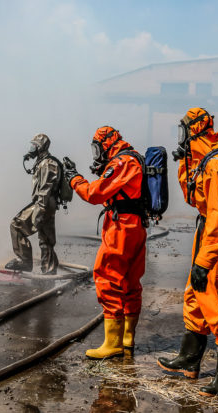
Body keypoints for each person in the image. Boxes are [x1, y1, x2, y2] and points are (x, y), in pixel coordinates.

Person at [157, 107, 218, 397]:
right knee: (194, 295)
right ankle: (189, 361)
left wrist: (205, 261)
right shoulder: (204, 160)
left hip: (217, 239)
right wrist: (184, 162)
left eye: (183, 130)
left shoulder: (217, 164)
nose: (179, 136)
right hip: (206, 232)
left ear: (195, 129)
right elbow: (193, 198)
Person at [63, 126, 147, 359]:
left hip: (121, 228)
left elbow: (95, 194)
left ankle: (113, 344)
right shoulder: (132, 157)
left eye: (97, 148)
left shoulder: (121, 163)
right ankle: (127, 339)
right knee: (130, 283)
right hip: (136, 225)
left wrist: (74, 179)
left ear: (107, 144)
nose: (96, 153)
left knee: (107, 277)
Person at [5, 133, 60, 275]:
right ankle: (48, 271)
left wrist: (40, 211)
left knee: (17, 225)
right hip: (44, 203)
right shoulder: (42, 162)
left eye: (34, 146)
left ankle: (25, 262)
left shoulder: (48, 164)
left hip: (44, 203)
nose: (31, 149)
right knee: (45, 238)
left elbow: (45, 190)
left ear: (41, 147)